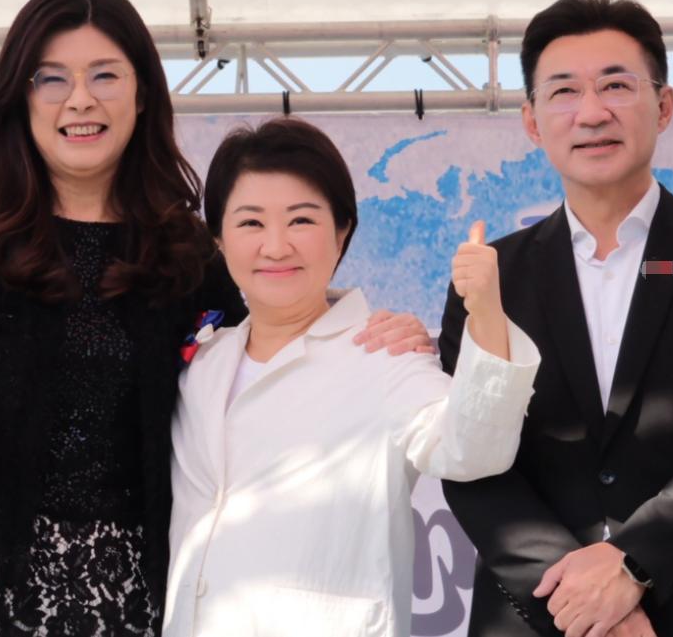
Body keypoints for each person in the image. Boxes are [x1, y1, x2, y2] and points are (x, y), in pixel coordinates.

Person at [0, 0, 431, 637]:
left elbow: (264, 349)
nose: (80, 99)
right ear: (20, 95)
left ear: (142, 93)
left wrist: (365, 328)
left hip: (130, 590)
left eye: (105, 75)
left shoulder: (184, 248)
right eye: (52, 78)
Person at [439, 0, 673, 637]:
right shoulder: (491, 275)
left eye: (616, 86)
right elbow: (470, 460)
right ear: (532, 121)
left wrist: (635, 563)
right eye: (564, 91)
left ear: (664, 106)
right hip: (539, 617)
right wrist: (579, 600)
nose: (592, 112)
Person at [163, 117, 540, 637]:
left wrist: (487, 317)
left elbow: (473, 449)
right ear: (219, 240)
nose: (276, 246)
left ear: (342, 232)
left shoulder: (384, 356)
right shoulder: (202, 365)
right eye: (250, 223)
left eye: (301, 220)